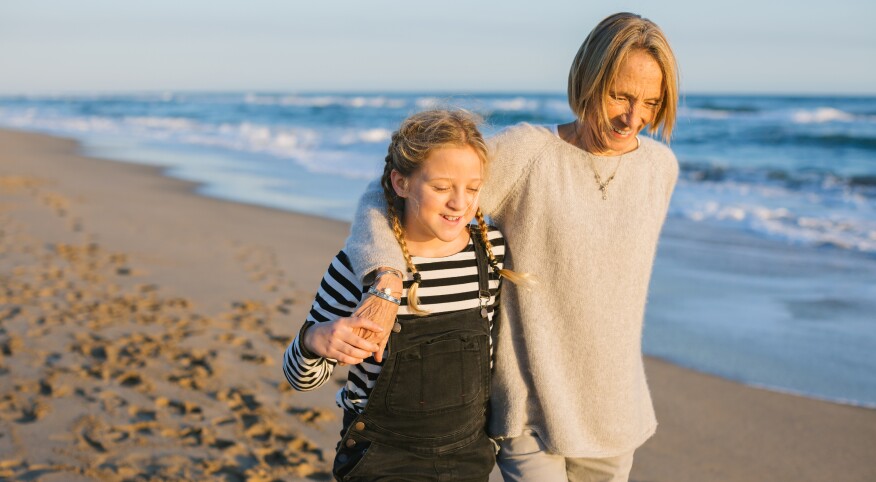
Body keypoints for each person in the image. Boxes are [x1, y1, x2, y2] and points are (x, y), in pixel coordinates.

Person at [343, 12, 680, 482]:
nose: (633, 117)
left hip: (614, 412)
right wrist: (385, 278)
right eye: (620, 96)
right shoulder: (530, 153)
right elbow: (389, 193)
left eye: (651, 102)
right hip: (529, 409)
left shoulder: (660, 168)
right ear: (588, 80)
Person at [283, 109, 528, 481]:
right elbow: (301, 378)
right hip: (383, 460)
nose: (459, 203)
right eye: (442, 187)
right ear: (401, 183)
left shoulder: (491, 253)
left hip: (468, 459)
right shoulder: (358, 268)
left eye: (473, 188)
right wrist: (316, 339)